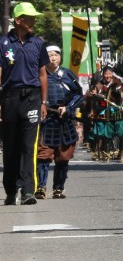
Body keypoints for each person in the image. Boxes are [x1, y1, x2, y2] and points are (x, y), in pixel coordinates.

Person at [1, 2, 49, 206]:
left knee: (30, 146)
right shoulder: (3, 43)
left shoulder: (38, 43)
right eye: (30, 18)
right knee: (10, 147)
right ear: (18, 20)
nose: (33, 21)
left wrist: (44, 102)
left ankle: (28, 191)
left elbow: (42, 74)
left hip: (32, 98)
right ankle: (11, 190)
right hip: (9, 98)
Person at [35, 46, 83, 199]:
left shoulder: (67, 74)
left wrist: (68, 107)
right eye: (50, 55)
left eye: (56, 55)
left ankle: (58, 188)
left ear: (60, 57)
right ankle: (40, 187)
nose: (53, 58)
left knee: (63, 157)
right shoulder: (39, 74)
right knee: (43, 156)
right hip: (46, 120)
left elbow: (79, 95)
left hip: (64, 121)